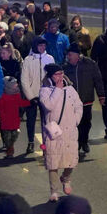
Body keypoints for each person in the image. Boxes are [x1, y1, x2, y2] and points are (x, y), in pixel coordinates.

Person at [40, 64, 84, 202]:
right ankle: (54, 191)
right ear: (50, 76)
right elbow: (48, 106)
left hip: (70, 129)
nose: (60, 77)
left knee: (70, 159)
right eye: (56, 74)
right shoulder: (45, 90)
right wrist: (58, 90)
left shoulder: (70, 89)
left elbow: (78, 105)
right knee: (53, 161)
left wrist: (76, 120)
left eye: (61, 73)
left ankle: (66, 178)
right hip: (54, 131)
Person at [20, 36, 55, 155]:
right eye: (40, 45)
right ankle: (30, 142)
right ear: (35, 46)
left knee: (47, 120)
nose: (42, 48)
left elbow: (53, 77)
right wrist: (30, 96)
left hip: (46, 94)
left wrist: (51, 92)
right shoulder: (28, 60)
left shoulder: (49, 58)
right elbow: (24, 79)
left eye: (44, 45)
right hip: (32, 96)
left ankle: (47, 143)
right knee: (31, 120)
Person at [0, 76, 31, 158]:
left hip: (14, 120)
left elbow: (20, 102)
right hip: (6, 121)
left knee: (14, 135)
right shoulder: (3, 96)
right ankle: (9, 149)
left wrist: (29, 102)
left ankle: (10, 147)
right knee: (7, 137)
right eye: (14, 84)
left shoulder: (17, 94)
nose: (17, 85)